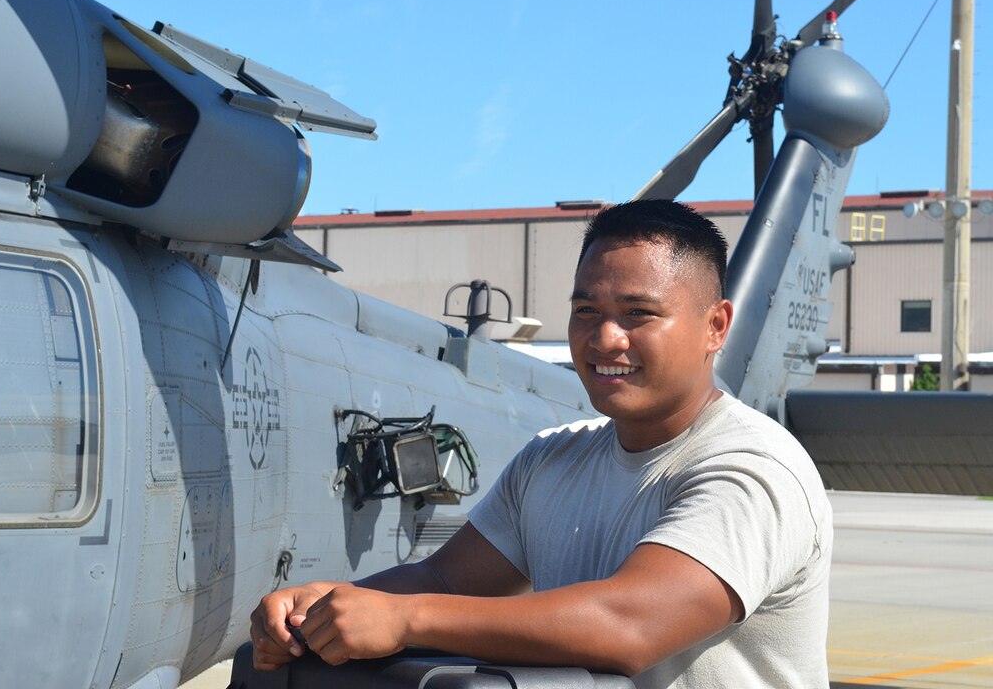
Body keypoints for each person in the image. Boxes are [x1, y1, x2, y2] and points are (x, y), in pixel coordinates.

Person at [250, 199, 833, 688]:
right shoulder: (553, 458)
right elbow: (447, 582)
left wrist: (404, 619)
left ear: (716, 327)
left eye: (638, 314)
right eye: (587, 311)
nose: (606, 338)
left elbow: (627, 627)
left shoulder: (753, 469)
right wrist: (318, 606)